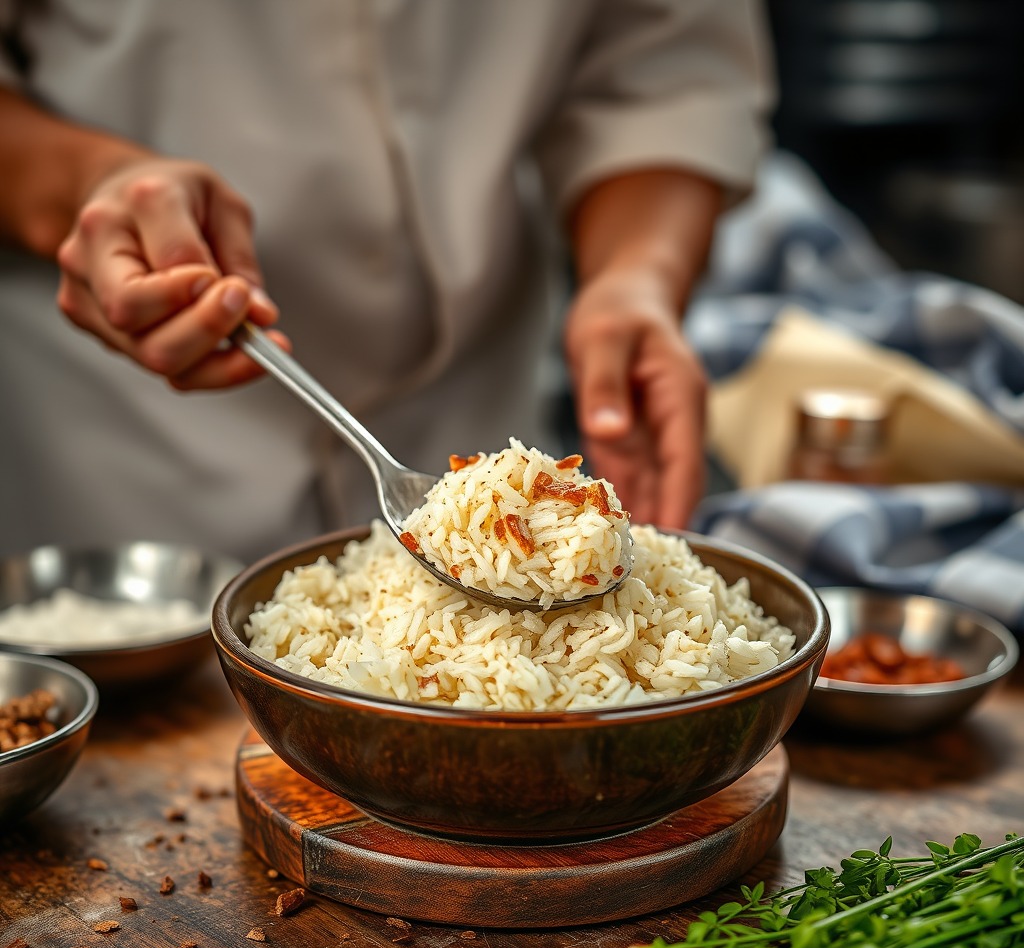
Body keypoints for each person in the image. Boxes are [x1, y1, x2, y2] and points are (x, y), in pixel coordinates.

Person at [0, 1, 772, 563]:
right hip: (118, 457)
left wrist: (632, 278)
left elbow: (665, 68)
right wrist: (88, 180)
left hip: (469, 398)